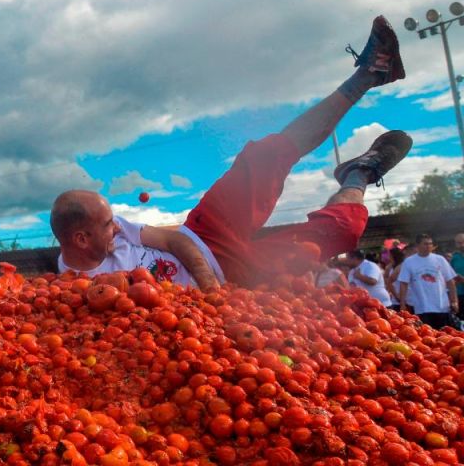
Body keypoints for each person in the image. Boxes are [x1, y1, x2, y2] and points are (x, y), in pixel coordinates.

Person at [54, 16, 409, 289]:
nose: (116, 226)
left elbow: (173, 240)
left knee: (264, 157)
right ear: (81, 239)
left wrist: (208, 288)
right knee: (334, 237)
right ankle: (360, 173)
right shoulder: (75, 285)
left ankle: (371, 72)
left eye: (111, 219)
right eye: (106, 225)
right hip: (239, 274)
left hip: (204, 231)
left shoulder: (116, 233)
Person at [396, 233, 460, 328]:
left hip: (442, 307)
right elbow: (403, 283)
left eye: (430, 244)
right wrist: (402, 304)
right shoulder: (409, 262)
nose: (428, 246)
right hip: (421, 308)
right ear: (417, 246)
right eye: (425, 244)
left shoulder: (440, 259)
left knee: (444, 335)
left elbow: (450, 281)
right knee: (427, 336)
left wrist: (454, 301)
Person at [450, 233, 464, 317]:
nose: (462, 245)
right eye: (459, 243)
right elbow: (450, 275)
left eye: (463, 242)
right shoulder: (454, 257)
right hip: (459, 295)